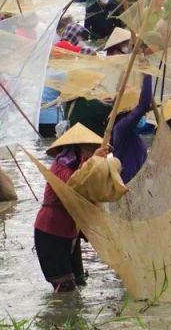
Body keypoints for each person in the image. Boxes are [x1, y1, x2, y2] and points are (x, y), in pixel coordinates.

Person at [35, 124, 122, 292]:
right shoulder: (60, 167)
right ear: (76, 150)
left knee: (79, 282)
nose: (90, 154)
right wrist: (93, 162)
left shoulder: (83, 170)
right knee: (65, 288)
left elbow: (94, 198)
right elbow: (73, 186)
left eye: (93, 150)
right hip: (51, 232)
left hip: (70, 235)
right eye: (87, 150)